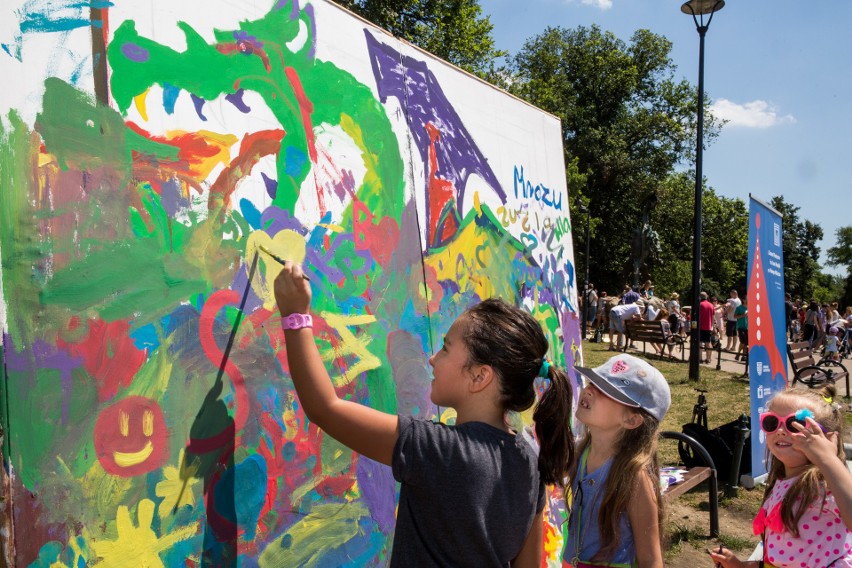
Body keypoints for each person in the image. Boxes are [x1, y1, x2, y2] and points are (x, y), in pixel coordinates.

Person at [273, 263, 575, 567]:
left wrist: (296, 316)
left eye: (445, 349)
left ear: (479, 377)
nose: (432, 358)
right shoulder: (529, 461)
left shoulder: (436, 450)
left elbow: (325, 408)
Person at [709, 385, 852, 568]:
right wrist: (739, 565)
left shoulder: (824, 484)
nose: (781, 431)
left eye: (795, 424)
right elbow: (781, 558)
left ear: (827, 438)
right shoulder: (782, 482)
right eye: (772, 422)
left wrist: (828, 460)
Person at [563, 354, 670, 567]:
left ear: (631, 419)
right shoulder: (578, 454)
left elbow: (651, 559)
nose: (589, 389)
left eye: (605, 391)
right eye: (593, 382)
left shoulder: (634, 479)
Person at [699, 292, 715, 364]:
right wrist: (713, 327)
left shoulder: (699, 305)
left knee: (699, 343)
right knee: (708, 343)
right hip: (708, 327)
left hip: (700, 326)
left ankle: (700, 358)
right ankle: (708, 358)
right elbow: (713, 317)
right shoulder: (711, 305)